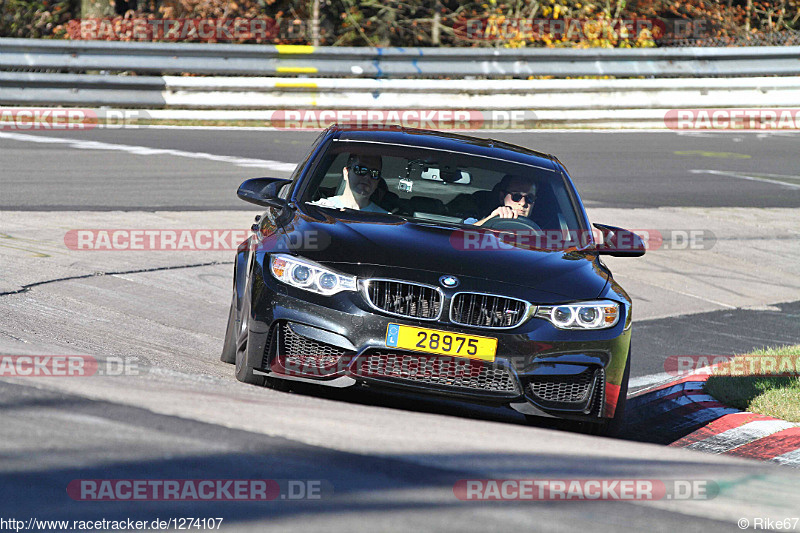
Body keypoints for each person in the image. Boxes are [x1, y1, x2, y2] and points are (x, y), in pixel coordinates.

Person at [312, 154, 389, 213]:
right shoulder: (322, 209)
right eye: (360, 170)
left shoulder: (387, 220)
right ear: (346, 173)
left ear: (378, 181)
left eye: (374, 174)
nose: (367, 177)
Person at [470, 174, 537, 226]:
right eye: (516, 196)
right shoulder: (476, 220)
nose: (523, 203)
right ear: (502, 197)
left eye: (530, 198)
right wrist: (490, 219)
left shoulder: (543, 229)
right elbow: (462, 236)